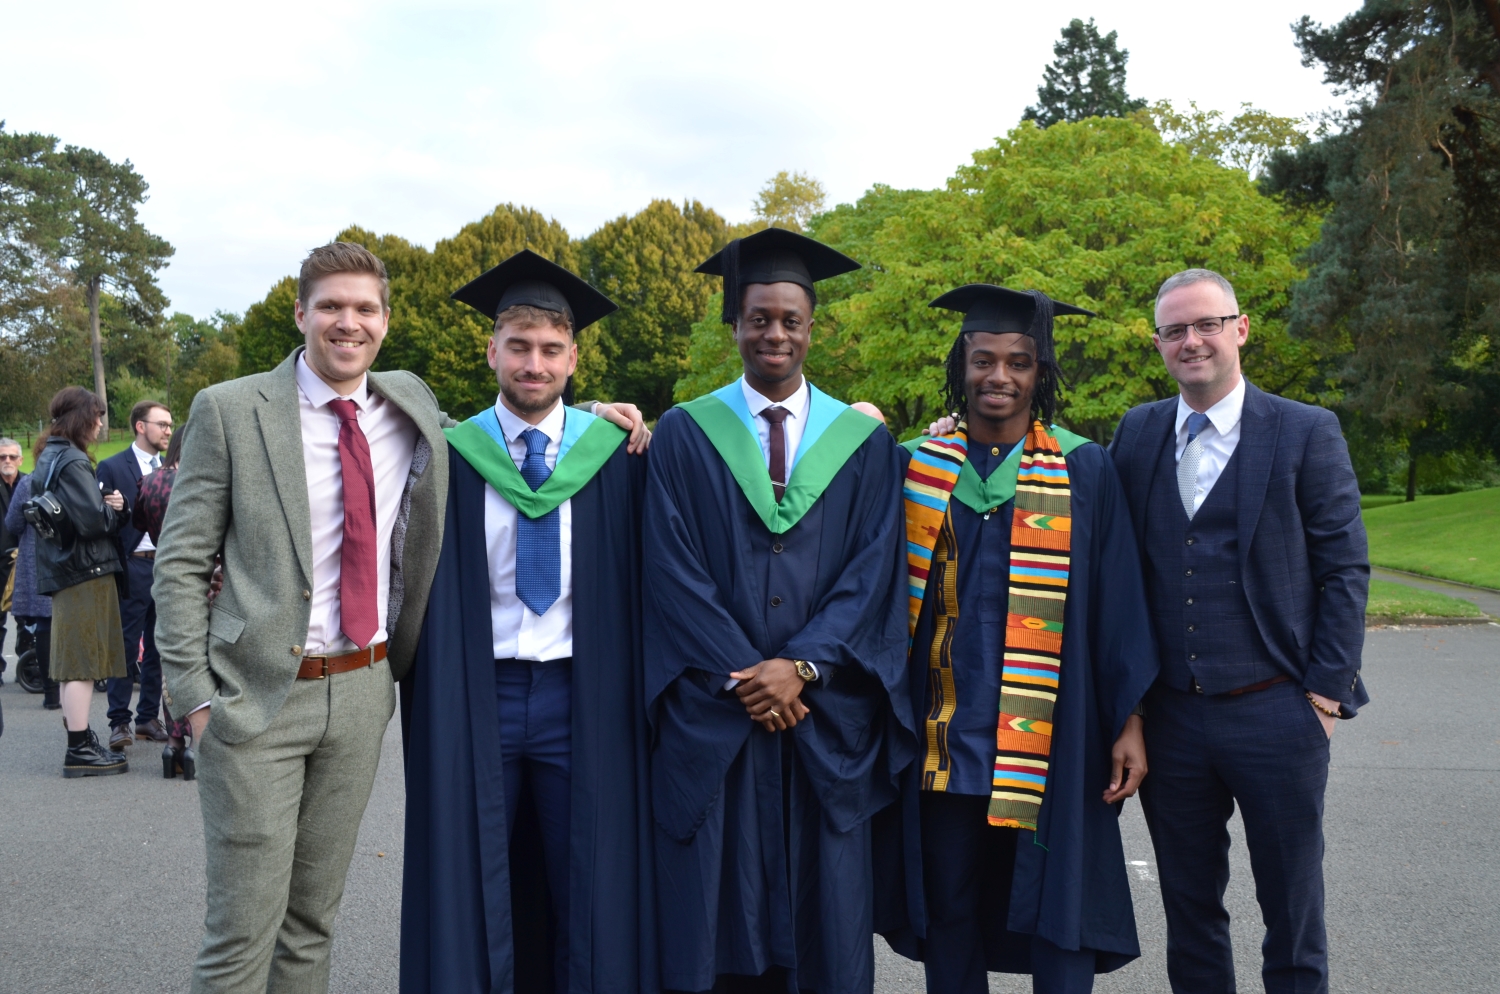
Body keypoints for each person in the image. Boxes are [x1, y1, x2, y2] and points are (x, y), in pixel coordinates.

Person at [154, 242, 454, 993]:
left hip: (362, 693)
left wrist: (593, 414)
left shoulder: (409, 403)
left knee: (312, 926)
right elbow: (181, 562)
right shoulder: (229, 410)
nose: (346, 322)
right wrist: (192, 697)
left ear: (385, 320)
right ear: (301, 313)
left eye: (363, 308)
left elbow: (501, 430)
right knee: (241, 934)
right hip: (256, 697)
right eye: (330, 306)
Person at [643, 227, 915, 994]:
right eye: (760, 317)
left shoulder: (862, 444)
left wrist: (802, 667)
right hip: (717, 708)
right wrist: (747, 675)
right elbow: (672, 570)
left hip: (822, 716)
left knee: (824, 927)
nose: (775, 334)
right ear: (734, 323)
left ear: (811, 329)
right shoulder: (686, 436)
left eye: (790, 320)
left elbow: (873, 573)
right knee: (712, 922)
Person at [883, 286, 1157, 994]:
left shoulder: (1081, 468)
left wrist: (1128, 722)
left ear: (1042, 373)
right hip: (943, 740)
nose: (999, 376)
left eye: (1018, 362)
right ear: (961, 368)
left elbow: (1117, 606)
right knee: (951, 908)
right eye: (983, 360)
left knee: (1057, 907)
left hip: (1053, 741)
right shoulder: (917, 469)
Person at [1107, 269, 1368, 994]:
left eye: (1206, 325)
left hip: (1278, 708)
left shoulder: (1305, 430)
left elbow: (1345, 568)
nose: (1191, 341)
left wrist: (1323, 696)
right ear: (1158, 343)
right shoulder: (1138, 430)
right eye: (1174, 330)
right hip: (1173, 719)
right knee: (1190, 911)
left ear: (1240, 329)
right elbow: (1106, 543)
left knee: (1291, 908)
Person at [401, 250, 656, 994]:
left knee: (587, 878)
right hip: (481, 697)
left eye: (550, 349)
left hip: (583, 699)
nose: (534, 364)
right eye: (519, 346)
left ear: (575, 357)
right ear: (492, 351)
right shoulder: (447, 457)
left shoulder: (615, 455)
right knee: (474, 874)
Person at [31, 387, 130, 777]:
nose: (101, 424)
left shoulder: (49, 455)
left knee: (79, 660)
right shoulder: (71, 460)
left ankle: (81, 739)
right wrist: (113, 509)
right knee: (82, 662)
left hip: (66, 568)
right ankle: (79, 748)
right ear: (79, 418)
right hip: (84, 570)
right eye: (96, 416)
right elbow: (92, 522)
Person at [97, 399, 173, 750]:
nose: (168, 431)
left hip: (166, 565)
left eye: (171, 425)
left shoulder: (172, 468)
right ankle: (119, 722)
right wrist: (115, 509)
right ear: (141, 426)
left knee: (159, 647)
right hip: (132, 564)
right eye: (161, 424)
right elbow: (98, 522)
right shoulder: (112, 467)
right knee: (126, 647)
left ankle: (147, 718)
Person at [133, 420, 200, 778]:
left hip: (165, 574)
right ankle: (195, 742)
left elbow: (138, 522)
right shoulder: (199, 481)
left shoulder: (151, 481)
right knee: (203, 660)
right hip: (205, 577)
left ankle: (173, 744)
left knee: (174, 659)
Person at [0, 435, 22, 679]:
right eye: (2, 457)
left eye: (12, 456)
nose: (7, 460)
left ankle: (27, 669)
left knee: (28, 620)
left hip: (24, 560)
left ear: (20, 459)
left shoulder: (28, 483)